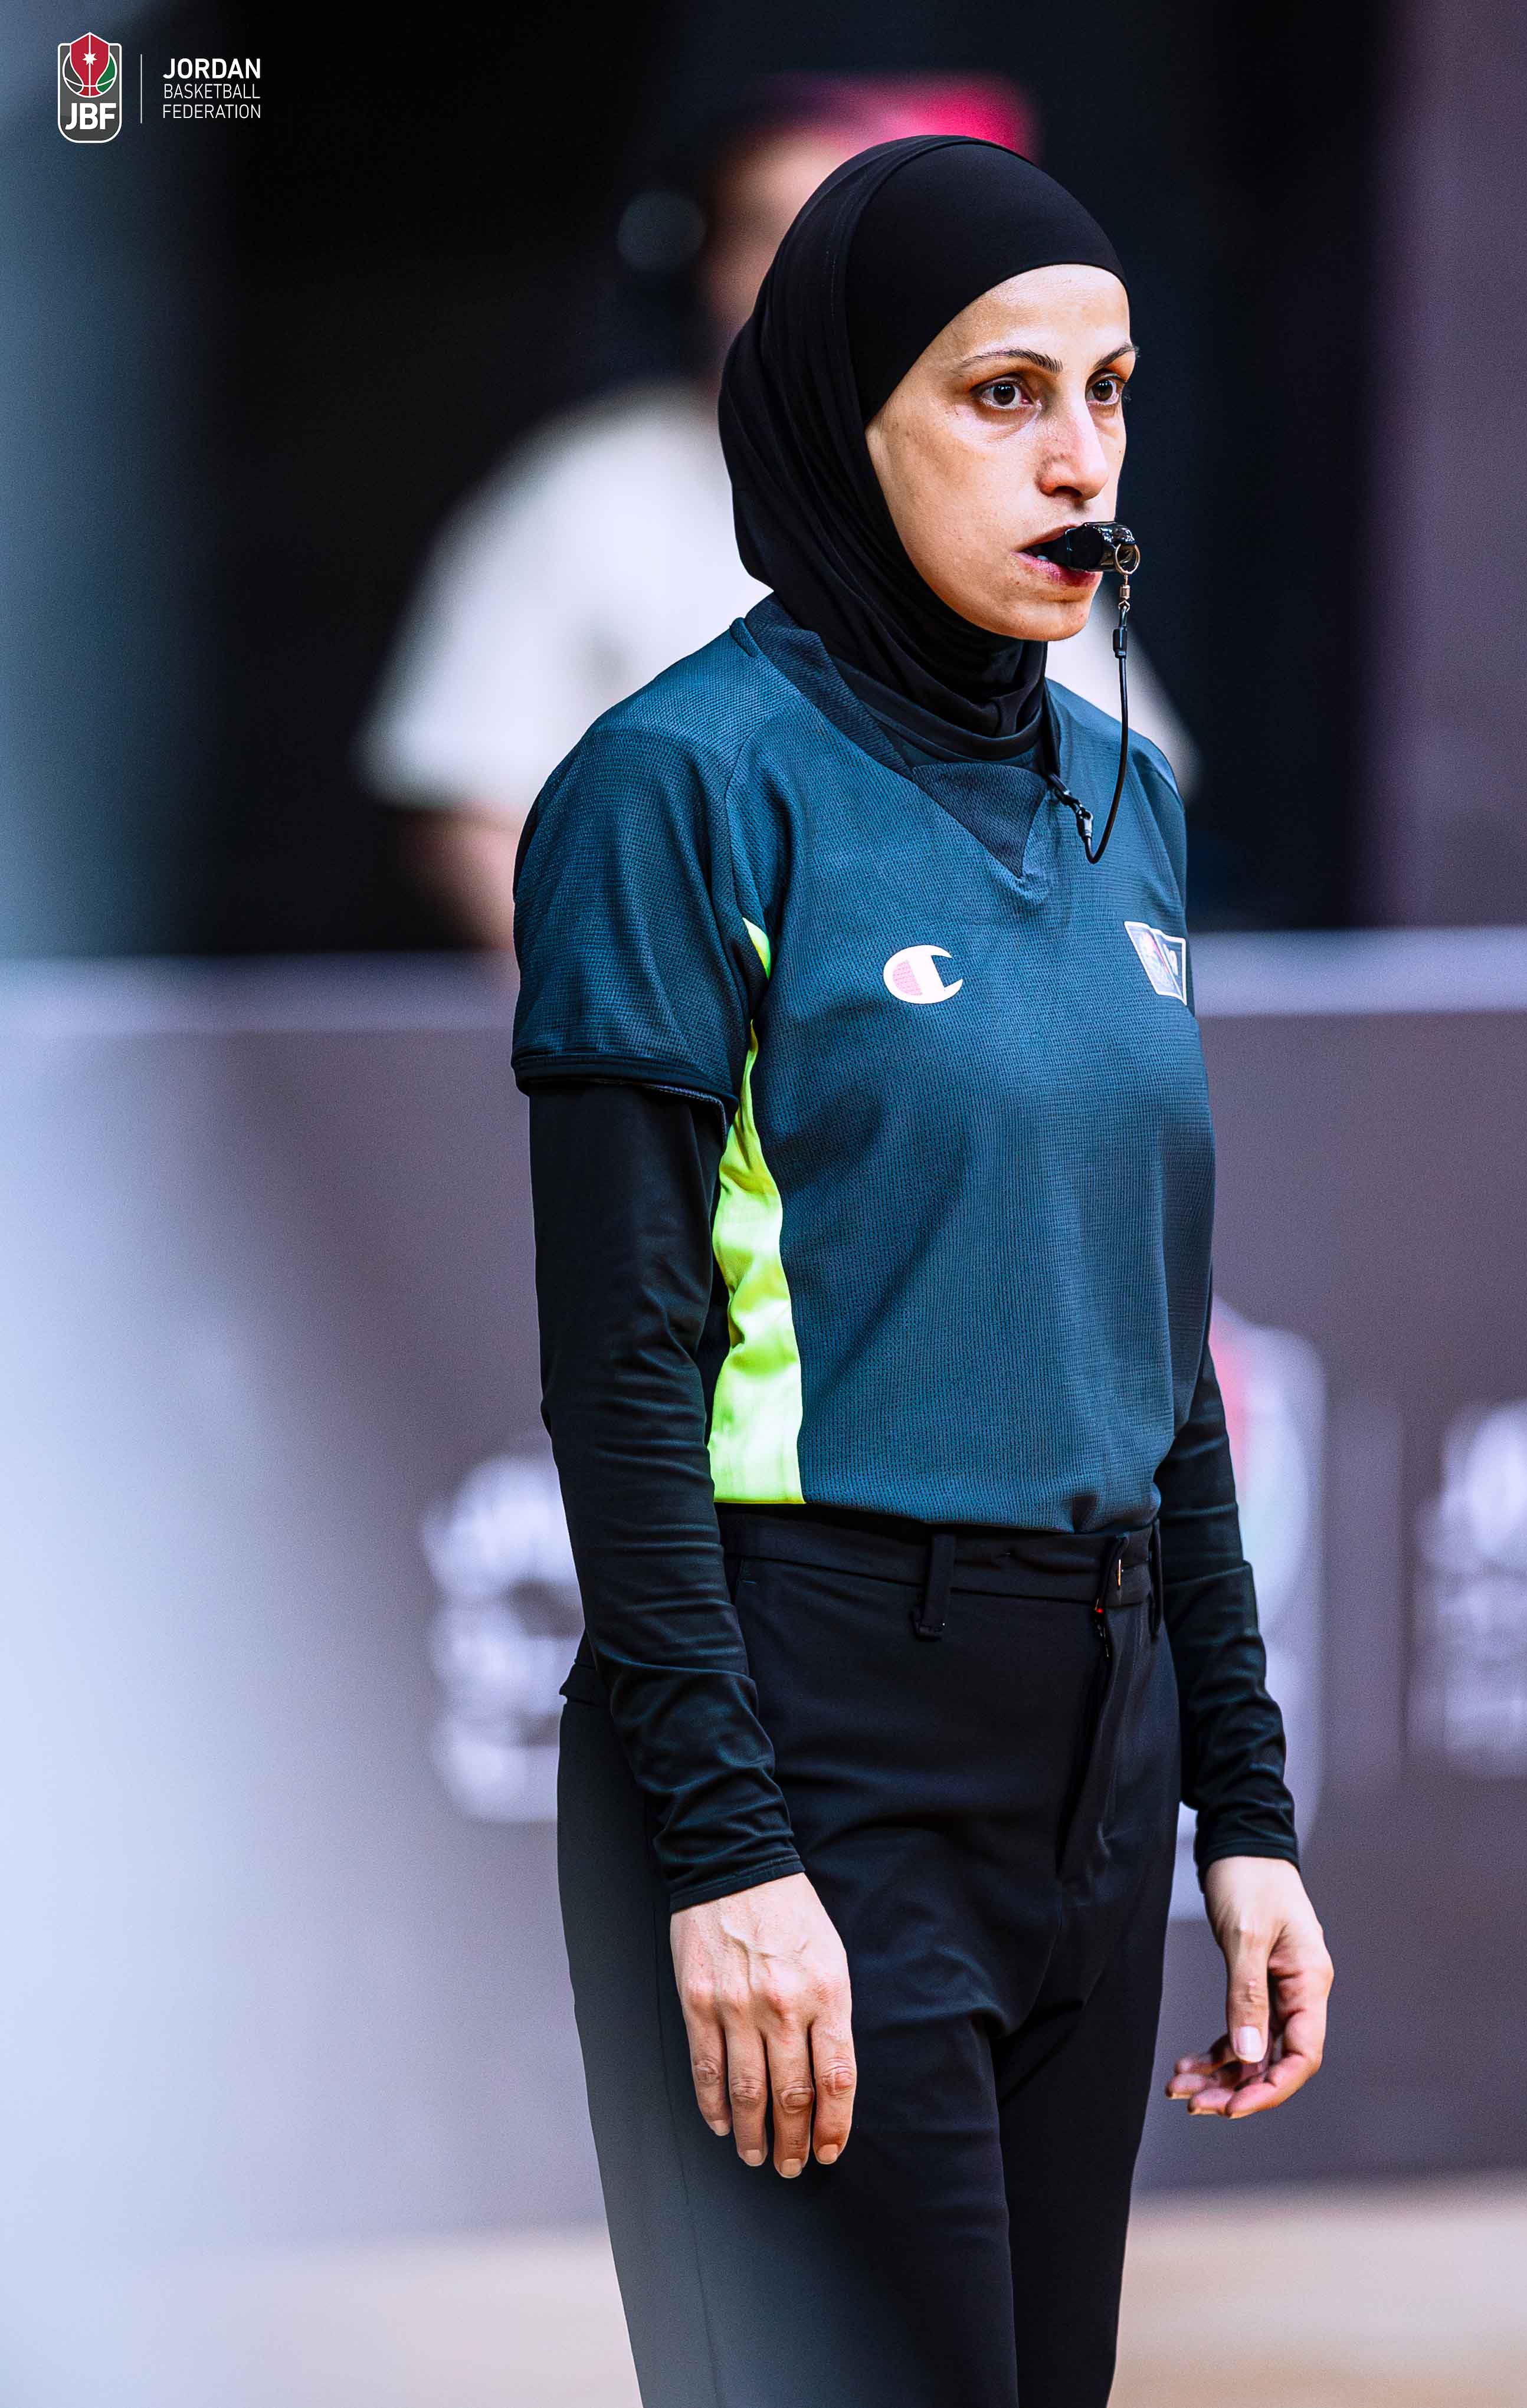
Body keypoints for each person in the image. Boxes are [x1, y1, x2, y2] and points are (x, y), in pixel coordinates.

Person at [513, 136, 1331, 2408]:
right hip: (811, 1740)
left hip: (1092, 1748)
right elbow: (621, 1366)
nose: (1078, 460)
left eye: (1109, 391)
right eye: (999, 395)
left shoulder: (1123, 799)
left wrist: (1240, 1810)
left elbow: (1148, 1351)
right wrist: (725, 1849)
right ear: (840, 421)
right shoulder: (678, 786)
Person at [363, 79, 1194, 950]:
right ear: (697, 265)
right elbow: (470, 807)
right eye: (771, 231)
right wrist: (643, 1001)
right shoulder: (578, 495)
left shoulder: (989, 499)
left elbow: (1120, 795)